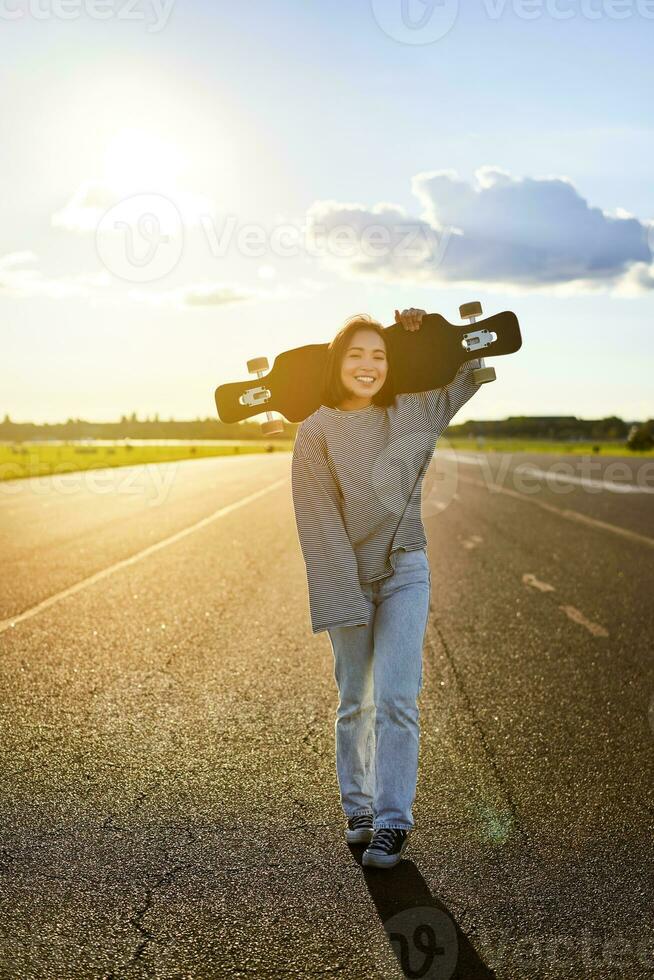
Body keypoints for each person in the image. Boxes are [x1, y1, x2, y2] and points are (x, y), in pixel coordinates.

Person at [291, 308, 482, 868]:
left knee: (398, 698)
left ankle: (392, 823)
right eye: (357, 354)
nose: (369, 365)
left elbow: (467, 369)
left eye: (380, 355)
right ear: (338, 363)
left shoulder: (414, 411)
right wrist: (343, 590)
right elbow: (315, 515)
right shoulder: (315, 429)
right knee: (356, 699)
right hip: (344, 572)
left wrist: (437, 333)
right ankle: (359, 809)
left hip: (405, 570)